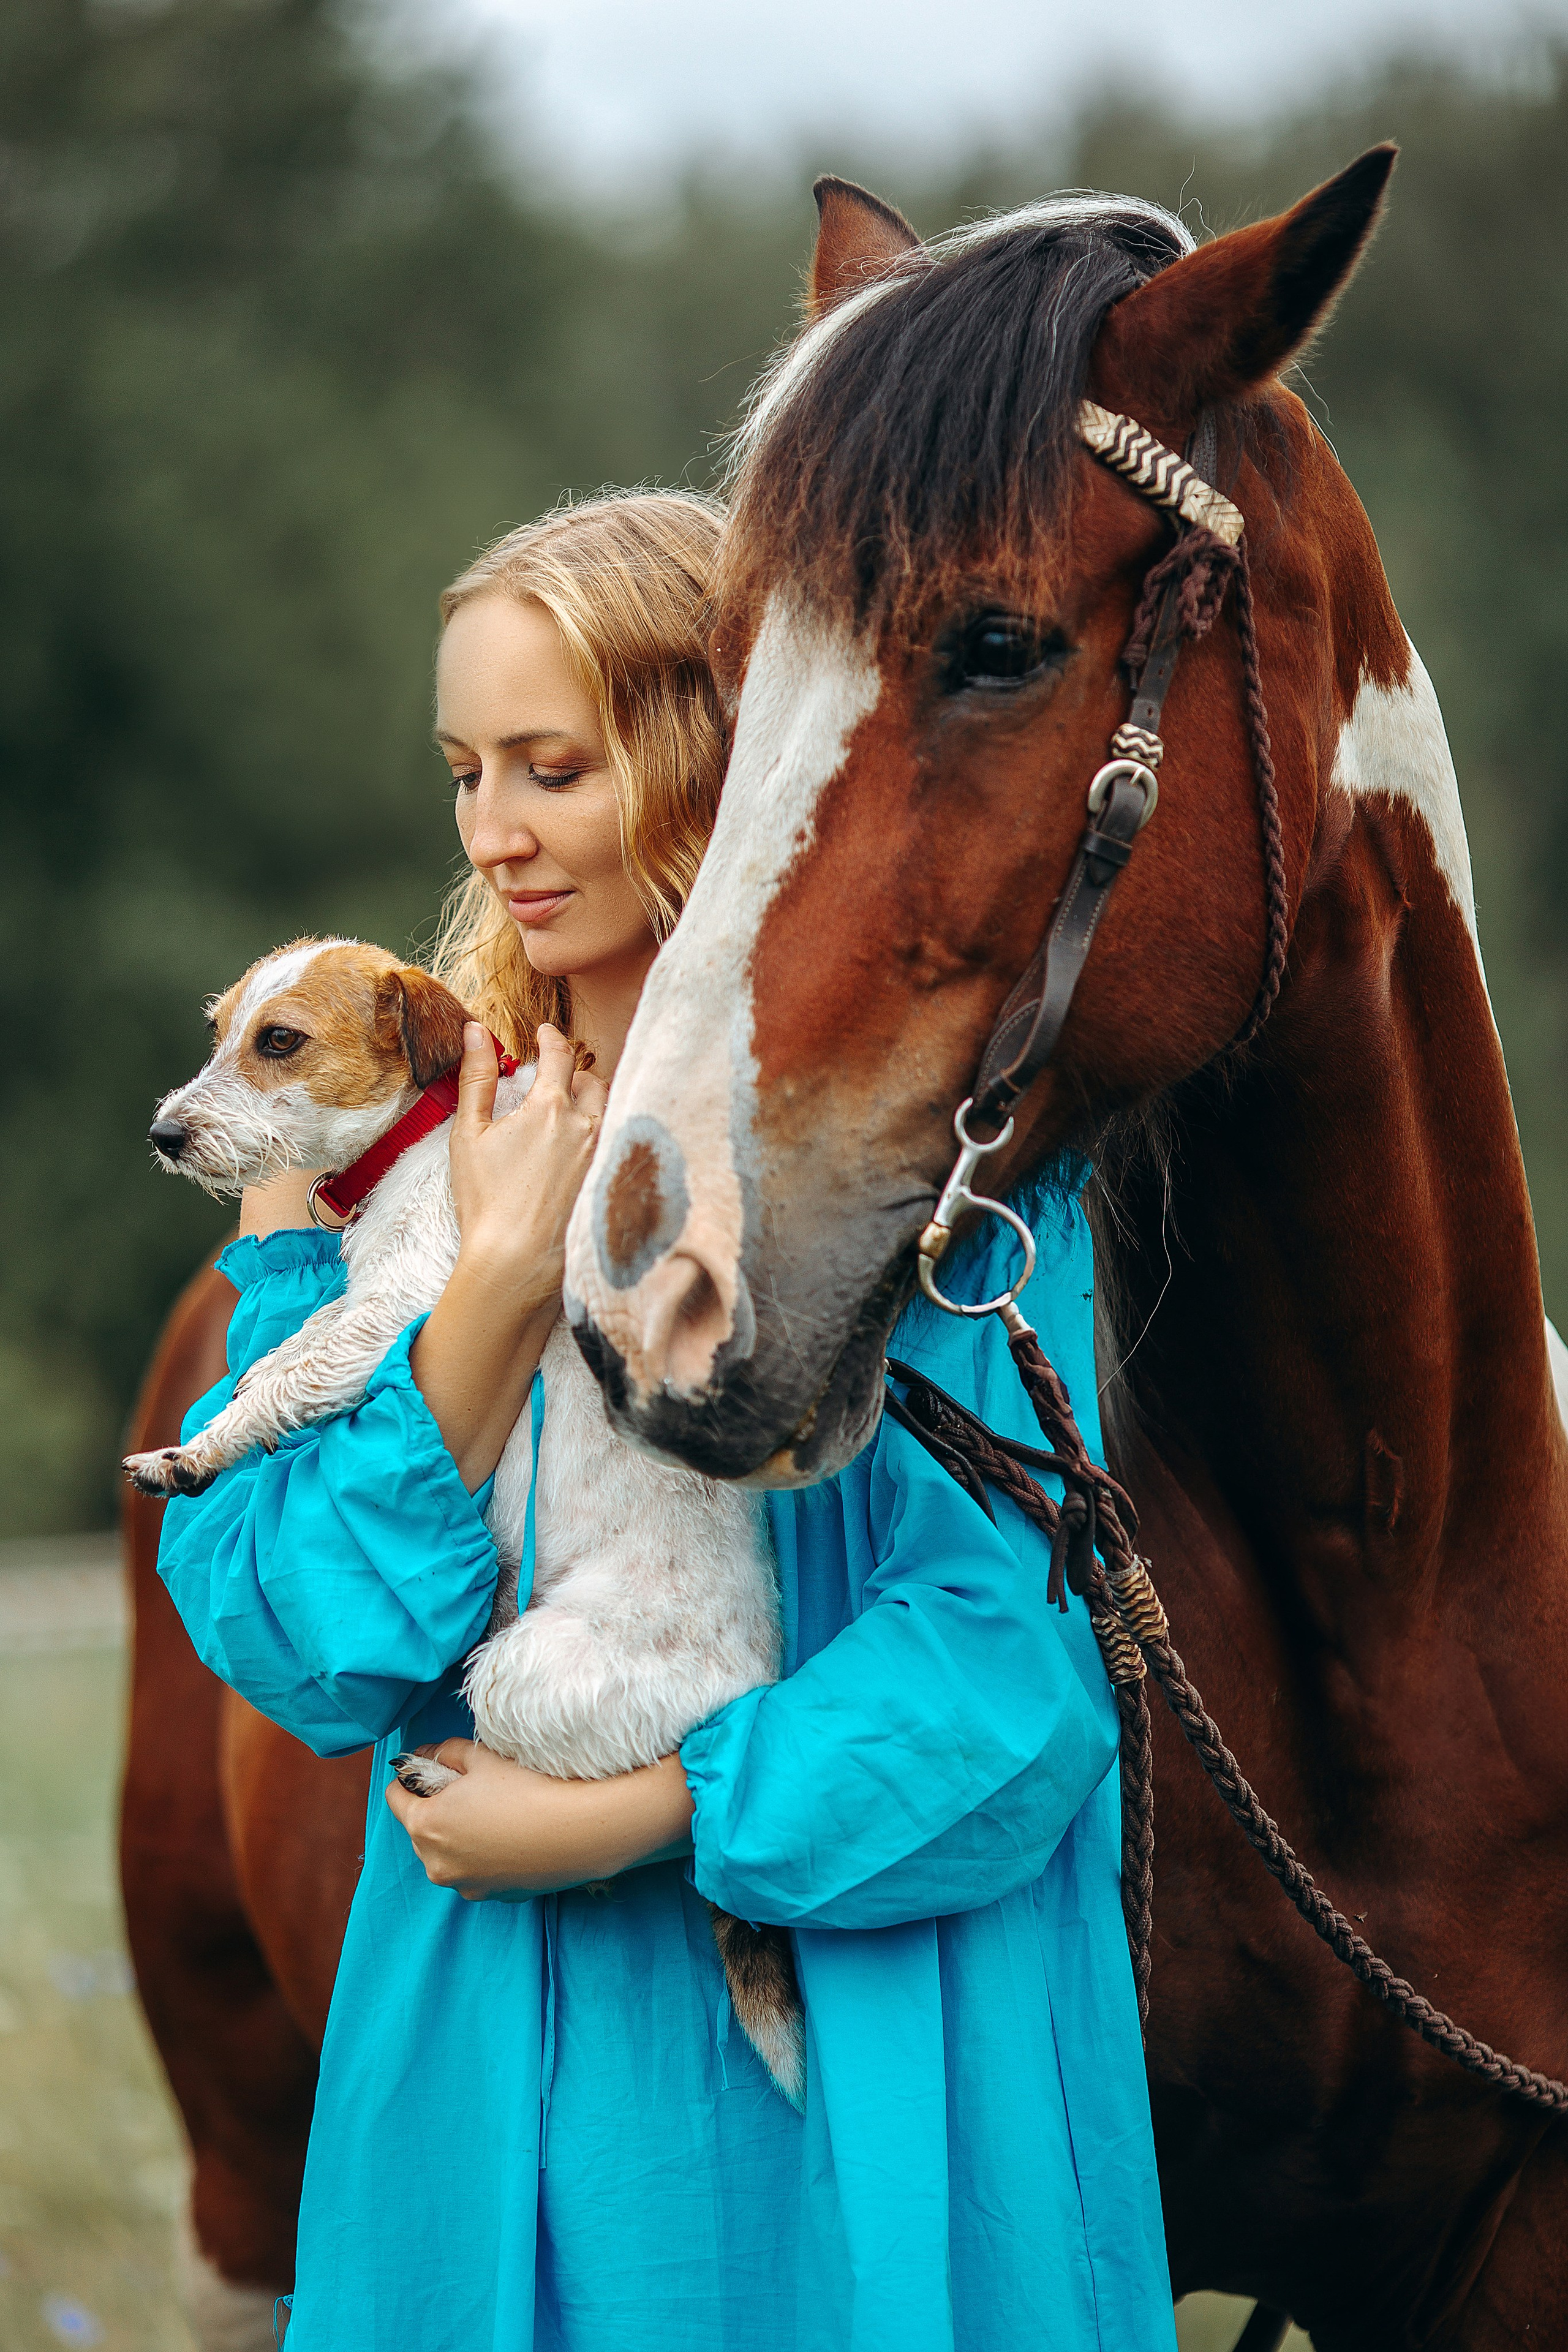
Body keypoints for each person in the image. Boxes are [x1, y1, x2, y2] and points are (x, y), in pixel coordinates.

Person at [157, 488, 1175, 2351]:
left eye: (553, 766)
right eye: (468, 770)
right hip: (479, 2076)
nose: (494, 834)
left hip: (852, 2079)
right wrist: (486, 1294)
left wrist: (638, 1814)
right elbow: (292, 1641)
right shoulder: (391, 1161)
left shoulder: (949, 1164)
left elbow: (1013, 1687)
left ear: (716, 755)